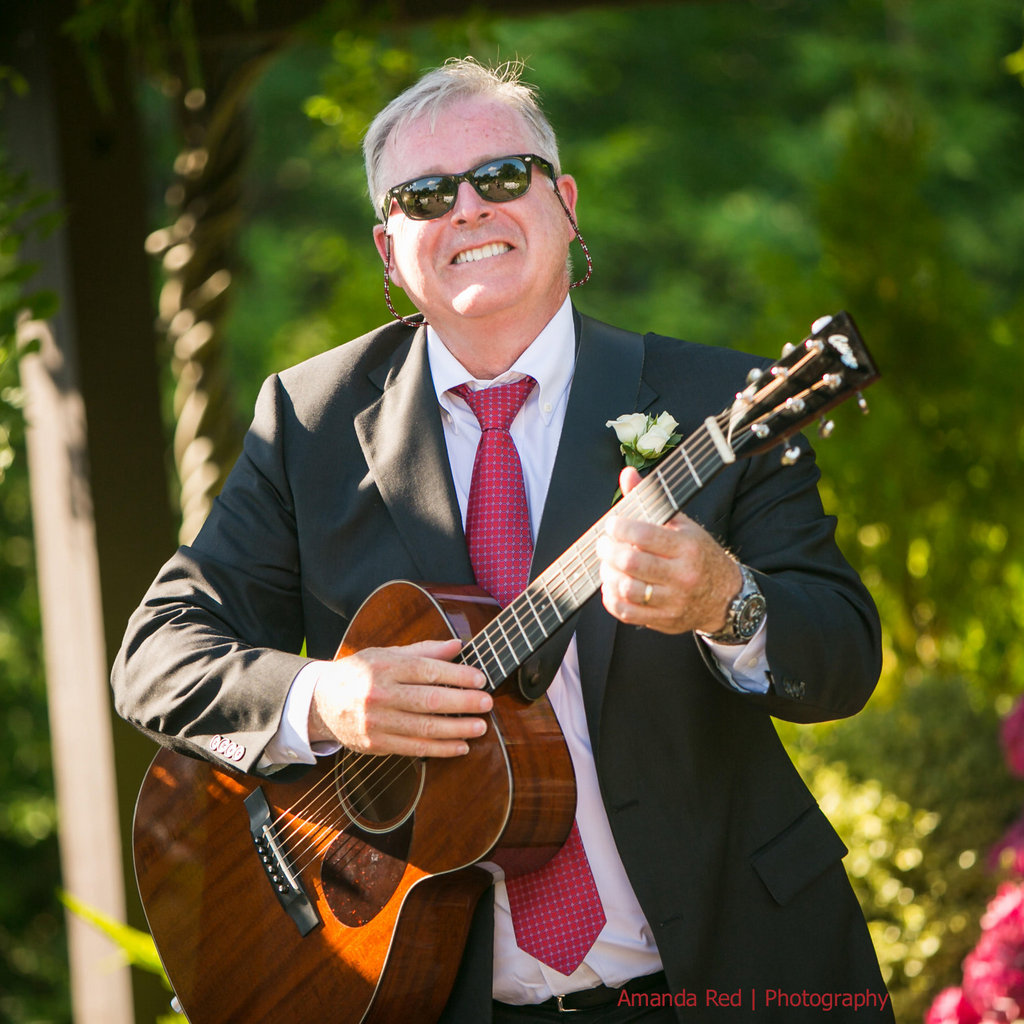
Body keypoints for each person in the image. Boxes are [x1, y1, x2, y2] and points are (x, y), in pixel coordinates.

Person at [112, 57, 894, 1023]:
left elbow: (844, 658)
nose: (469, 208)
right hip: (434, 997)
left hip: (735, 972)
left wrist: (724, 601)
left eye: (503, 175)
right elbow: (156, 656)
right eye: (426, 195)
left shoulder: (716, 404)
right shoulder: (309, 425)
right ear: (389, 248)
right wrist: (328, 700)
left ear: (565, 204)